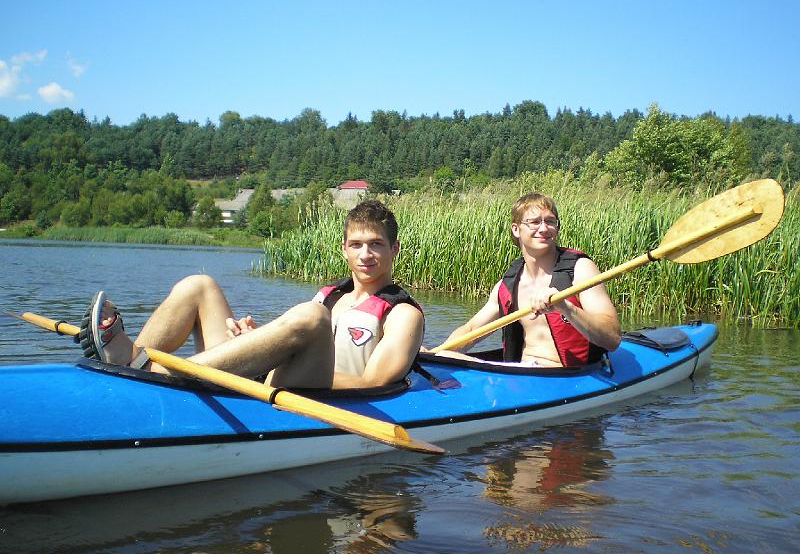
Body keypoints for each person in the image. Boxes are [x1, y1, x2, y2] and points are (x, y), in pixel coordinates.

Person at [78, 200, 425, 389]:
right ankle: (132, 366)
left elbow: (373, 382)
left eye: (376, 244)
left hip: (315, 393)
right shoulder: (331, 294)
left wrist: (269, 360)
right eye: (357, 245)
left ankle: (155, 370)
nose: (366, 255)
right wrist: (255, 342)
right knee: (199, 285)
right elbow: (297, 343)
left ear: (393, 249)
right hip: (269, 376)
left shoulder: (403, 314)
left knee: (312, 315)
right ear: (344, 249)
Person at [431, 192, 620, 367]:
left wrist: (566, 308)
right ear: (516, 229)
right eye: (534, 222)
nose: (544, 228)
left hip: (567, 377)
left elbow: (612, 339)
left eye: (550, 221)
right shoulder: (508, 284)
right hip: (523, 375)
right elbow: (472, 329)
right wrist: (434, 355)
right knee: (447, 356)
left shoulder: (580, 270)